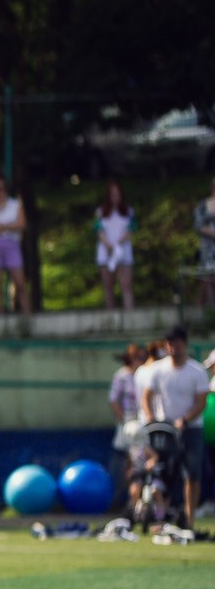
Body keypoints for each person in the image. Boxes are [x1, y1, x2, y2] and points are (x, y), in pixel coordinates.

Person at [141, 326, 209, 517]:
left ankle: (189, 516)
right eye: (170, 344)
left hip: (190, 429)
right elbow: (147, 397)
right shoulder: (157, 369)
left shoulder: (196, 371)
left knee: (191, 473)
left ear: (185, 345)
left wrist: (185, 420)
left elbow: (201, 402)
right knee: (161, 473)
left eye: (178, 344)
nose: (174, 348)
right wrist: (151, 418)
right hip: (165, 430)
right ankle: (160, 516)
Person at [0, 177, 30, 317]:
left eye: (2, 188)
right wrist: (10, 226)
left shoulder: (15, 204)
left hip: (11, 244)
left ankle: (27, 314)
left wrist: (1, 226)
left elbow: (21, 224)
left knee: (20, 282)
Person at [110, 342, 149, 505]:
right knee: (130, 460)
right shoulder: (121, 376)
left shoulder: (145, 373)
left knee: (145, 457)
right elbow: (113, 400)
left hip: (144, 420)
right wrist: (124, 421)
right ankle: (132, 498)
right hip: (129, 421)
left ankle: (144, 498)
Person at [96, 181, 135, 315]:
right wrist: (109, 245)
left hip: (123, 253)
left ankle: (130, 316)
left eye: (117, 194)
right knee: (108, 286)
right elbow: (99, 231)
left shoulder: (129, 212)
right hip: (106, 253)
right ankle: (111, 316)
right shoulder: (100, 212)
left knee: (126, 285)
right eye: (112, 194)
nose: (115, 197)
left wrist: (117, 244)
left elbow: (130, 231)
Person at [194, 177, 215, 313]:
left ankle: (201, 310)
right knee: (208, 279)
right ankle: (209, 312)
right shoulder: (203, 205)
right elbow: (198, 225)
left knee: (207, 280)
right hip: (208, 249)